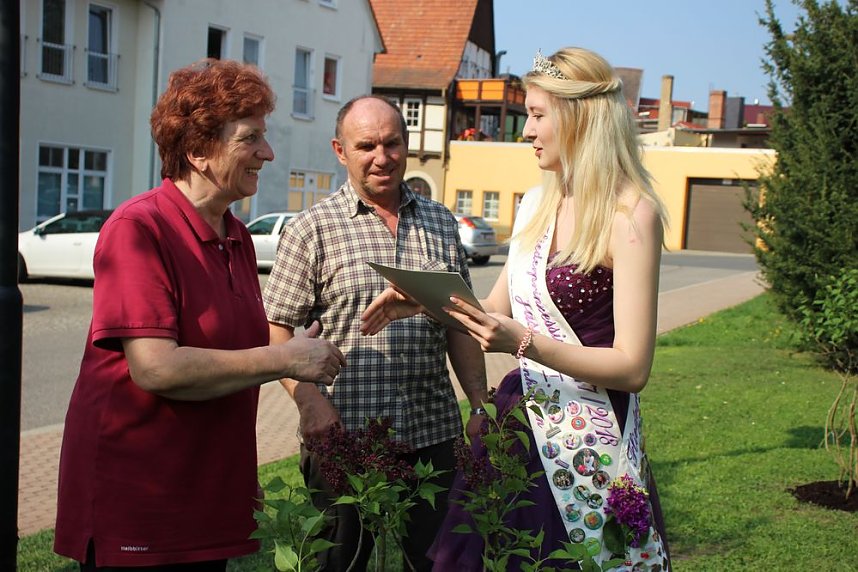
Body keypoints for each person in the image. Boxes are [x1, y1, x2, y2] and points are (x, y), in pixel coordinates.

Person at [361, 48, 672, 571]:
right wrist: (424, 300)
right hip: (522, 425)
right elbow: (492, 310)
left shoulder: (631, 214)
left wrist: (524, 344)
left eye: (537, 115)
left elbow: (633, 367)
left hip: (588, 437)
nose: (526, 130)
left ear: (579, 116)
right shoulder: (536, 204)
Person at [53, 59, 346, 571]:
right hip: (142, 507)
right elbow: (157, 368)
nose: (267, 153)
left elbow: (231, 355)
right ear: (197, 151)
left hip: (205, 498)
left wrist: (294, 361)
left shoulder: (234, 236)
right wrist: (285, 359)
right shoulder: (138, 229)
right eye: (249, 138)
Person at [264, 94, 488, 571]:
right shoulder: (312, 229)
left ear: (407, 146)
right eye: (366, 145)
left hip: (433, 432)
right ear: (340, 150)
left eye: (392, 143)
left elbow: (463, 322)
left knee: (434, 563)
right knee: (341, 563)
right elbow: (277, 331)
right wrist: (308, 401)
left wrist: (479, 402)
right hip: (344, 434)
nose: (381, 158)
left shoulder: (440, 222)